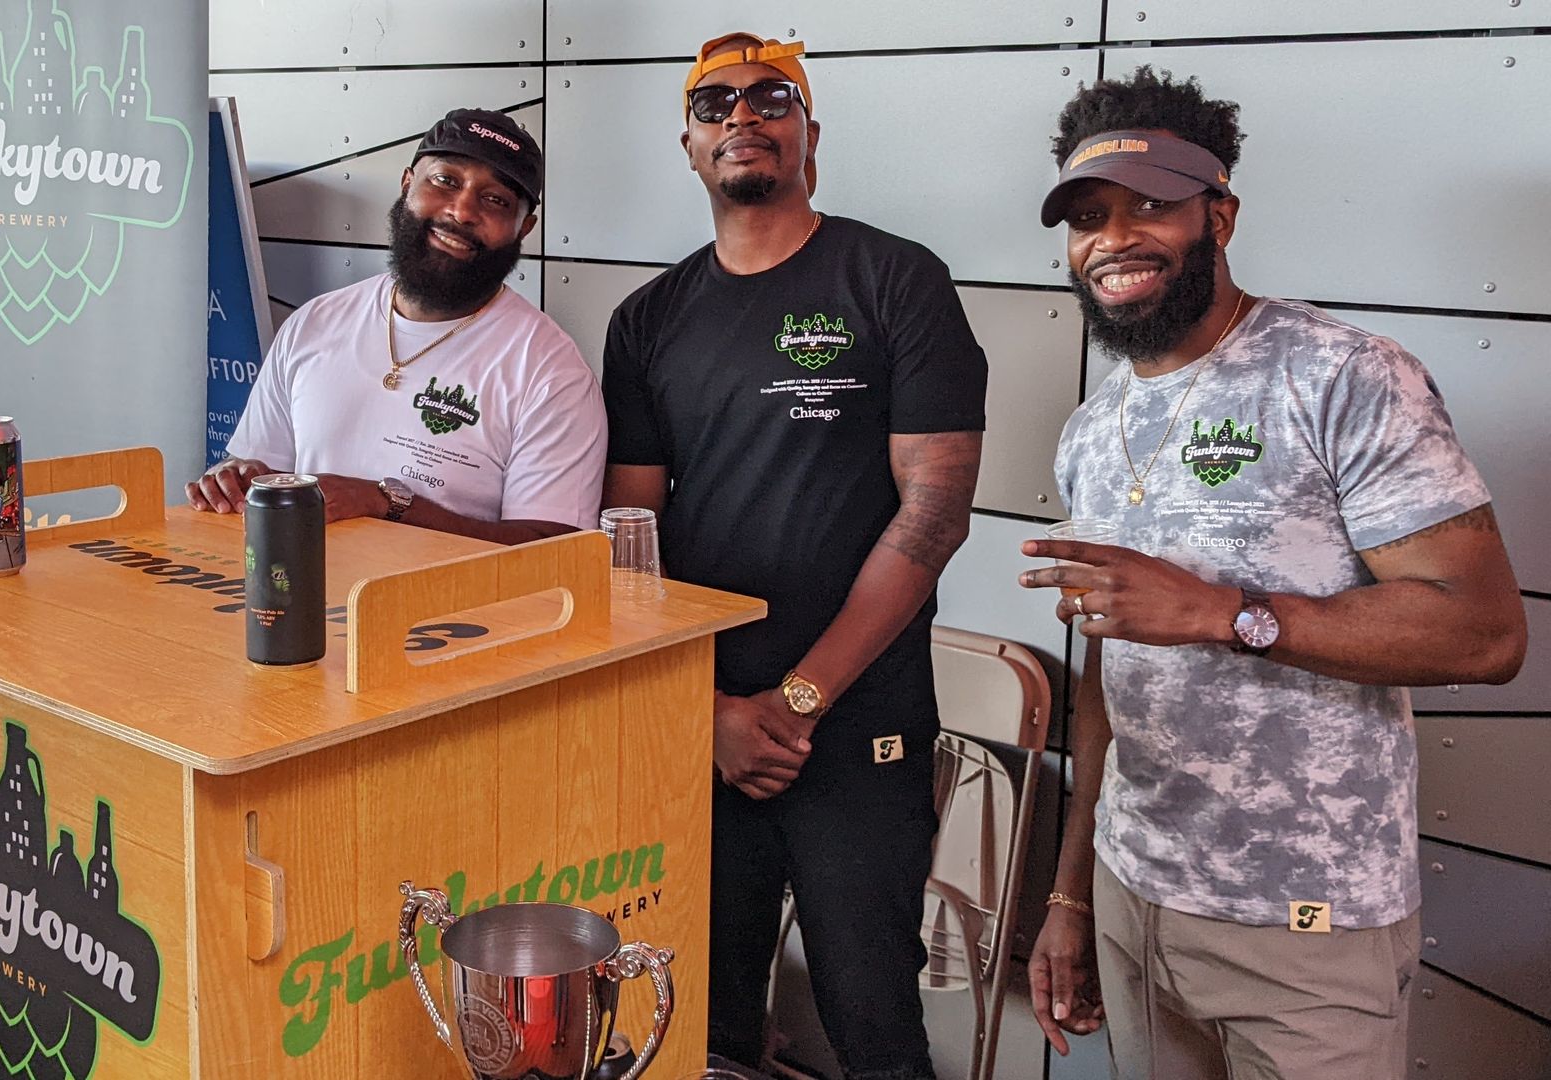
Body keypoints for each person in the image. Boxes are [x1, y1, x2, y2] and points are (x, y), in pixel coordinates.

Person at [1021, 67, 1528, 1079]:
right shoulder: (1091, 429)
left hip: (1307, 925)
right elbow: (1104, 685)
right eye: (1087, 217)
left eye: (1152, 205)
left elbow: (1484, 633)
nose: (1113, 239)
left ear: (1222, 215)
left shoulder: (1342, 376)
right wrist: (1071, 895)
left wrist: (1223, 613)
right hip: (1133, 897)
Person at [600, 33, 988, 1080]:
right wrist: (706, 713)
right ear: (687, 143)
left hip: (857, 728)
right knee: (698, 1020)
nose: (743, 115)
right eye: (714, 102)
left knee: (872, 1021)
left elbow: (936, 513)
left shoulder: (896, 281)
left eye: (772, 97)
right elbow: (627, 546)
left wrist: (801, 700)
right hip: (704, 726)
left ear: (810, 133)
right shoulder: (646, 321)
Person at [187, 108, 607, 542]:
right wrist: (231, 480)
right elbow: (259, 473)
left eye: (495, 200)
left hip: (452, 610)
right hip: (300, 595)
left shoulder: (551, 374)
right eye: (445, 181)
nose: (462, 211)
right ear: (408, 184)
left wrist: (388, 504)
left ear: (524, 229)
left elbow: (556, 548)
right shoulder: (314, 323)